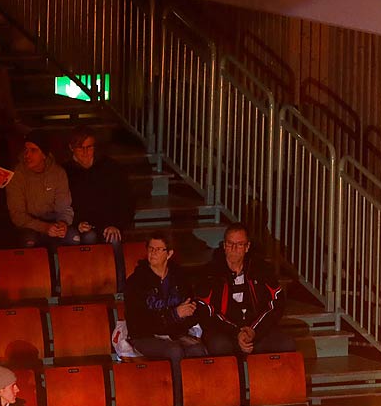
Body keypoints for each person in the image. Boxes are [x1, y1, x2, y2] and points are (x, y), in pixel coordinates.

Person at [193, 222, 291, 354]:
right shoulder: (210, 273)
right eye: (229, 244)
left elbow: (276, 303)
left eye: (239, 244)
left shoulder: (261, 270)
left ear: (247, 247)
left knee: (285, 344)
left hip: (256, 329)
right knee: (220, 347)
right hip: (224, 331)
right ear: (224, 246)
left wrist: (253, 331)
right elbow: (205, 311)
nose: (234, 248)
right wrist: (237, 333)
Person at [123, 233, 207, 372]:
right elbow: (137, 323)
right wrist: (174, 315)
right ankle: (177, 394)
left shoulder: (179, 277)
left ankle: (196, 393)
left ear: (169, 254)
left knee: (197, 349)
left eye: (158, 249)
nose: (153, 253)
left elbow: (191, 311)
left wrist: (183, 332)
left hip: (174, 334)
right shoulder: (136, 282)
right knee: (174, 350)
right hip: (144, 336)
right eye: (150, 248)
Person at [5, 132, 76, 247]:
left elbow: (64, 207)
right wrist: (44, 227)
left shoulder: (58, 173)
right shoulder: (17, 175)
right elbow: (17, 214)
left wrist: (63, 224)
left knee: (73, 238)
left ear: (44, 154)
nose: (27, 155)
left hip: (54, 221)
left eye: (33, 150)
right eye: (26, 150)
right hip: (29, 225)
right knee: (29, 241)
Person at [66, 127, 133, 245]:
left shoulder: (110, 168)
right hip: (81, 224)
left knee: (113, 238)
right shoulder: (65, 172)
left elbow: (125, 200)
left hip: (107, 223)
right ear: (71, 148)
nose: (85, 152)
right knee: (87, 237)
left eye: (89, 147)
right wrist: (77, 223)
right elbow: (62, 204)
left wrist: (115, 224)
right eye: (80, 148)